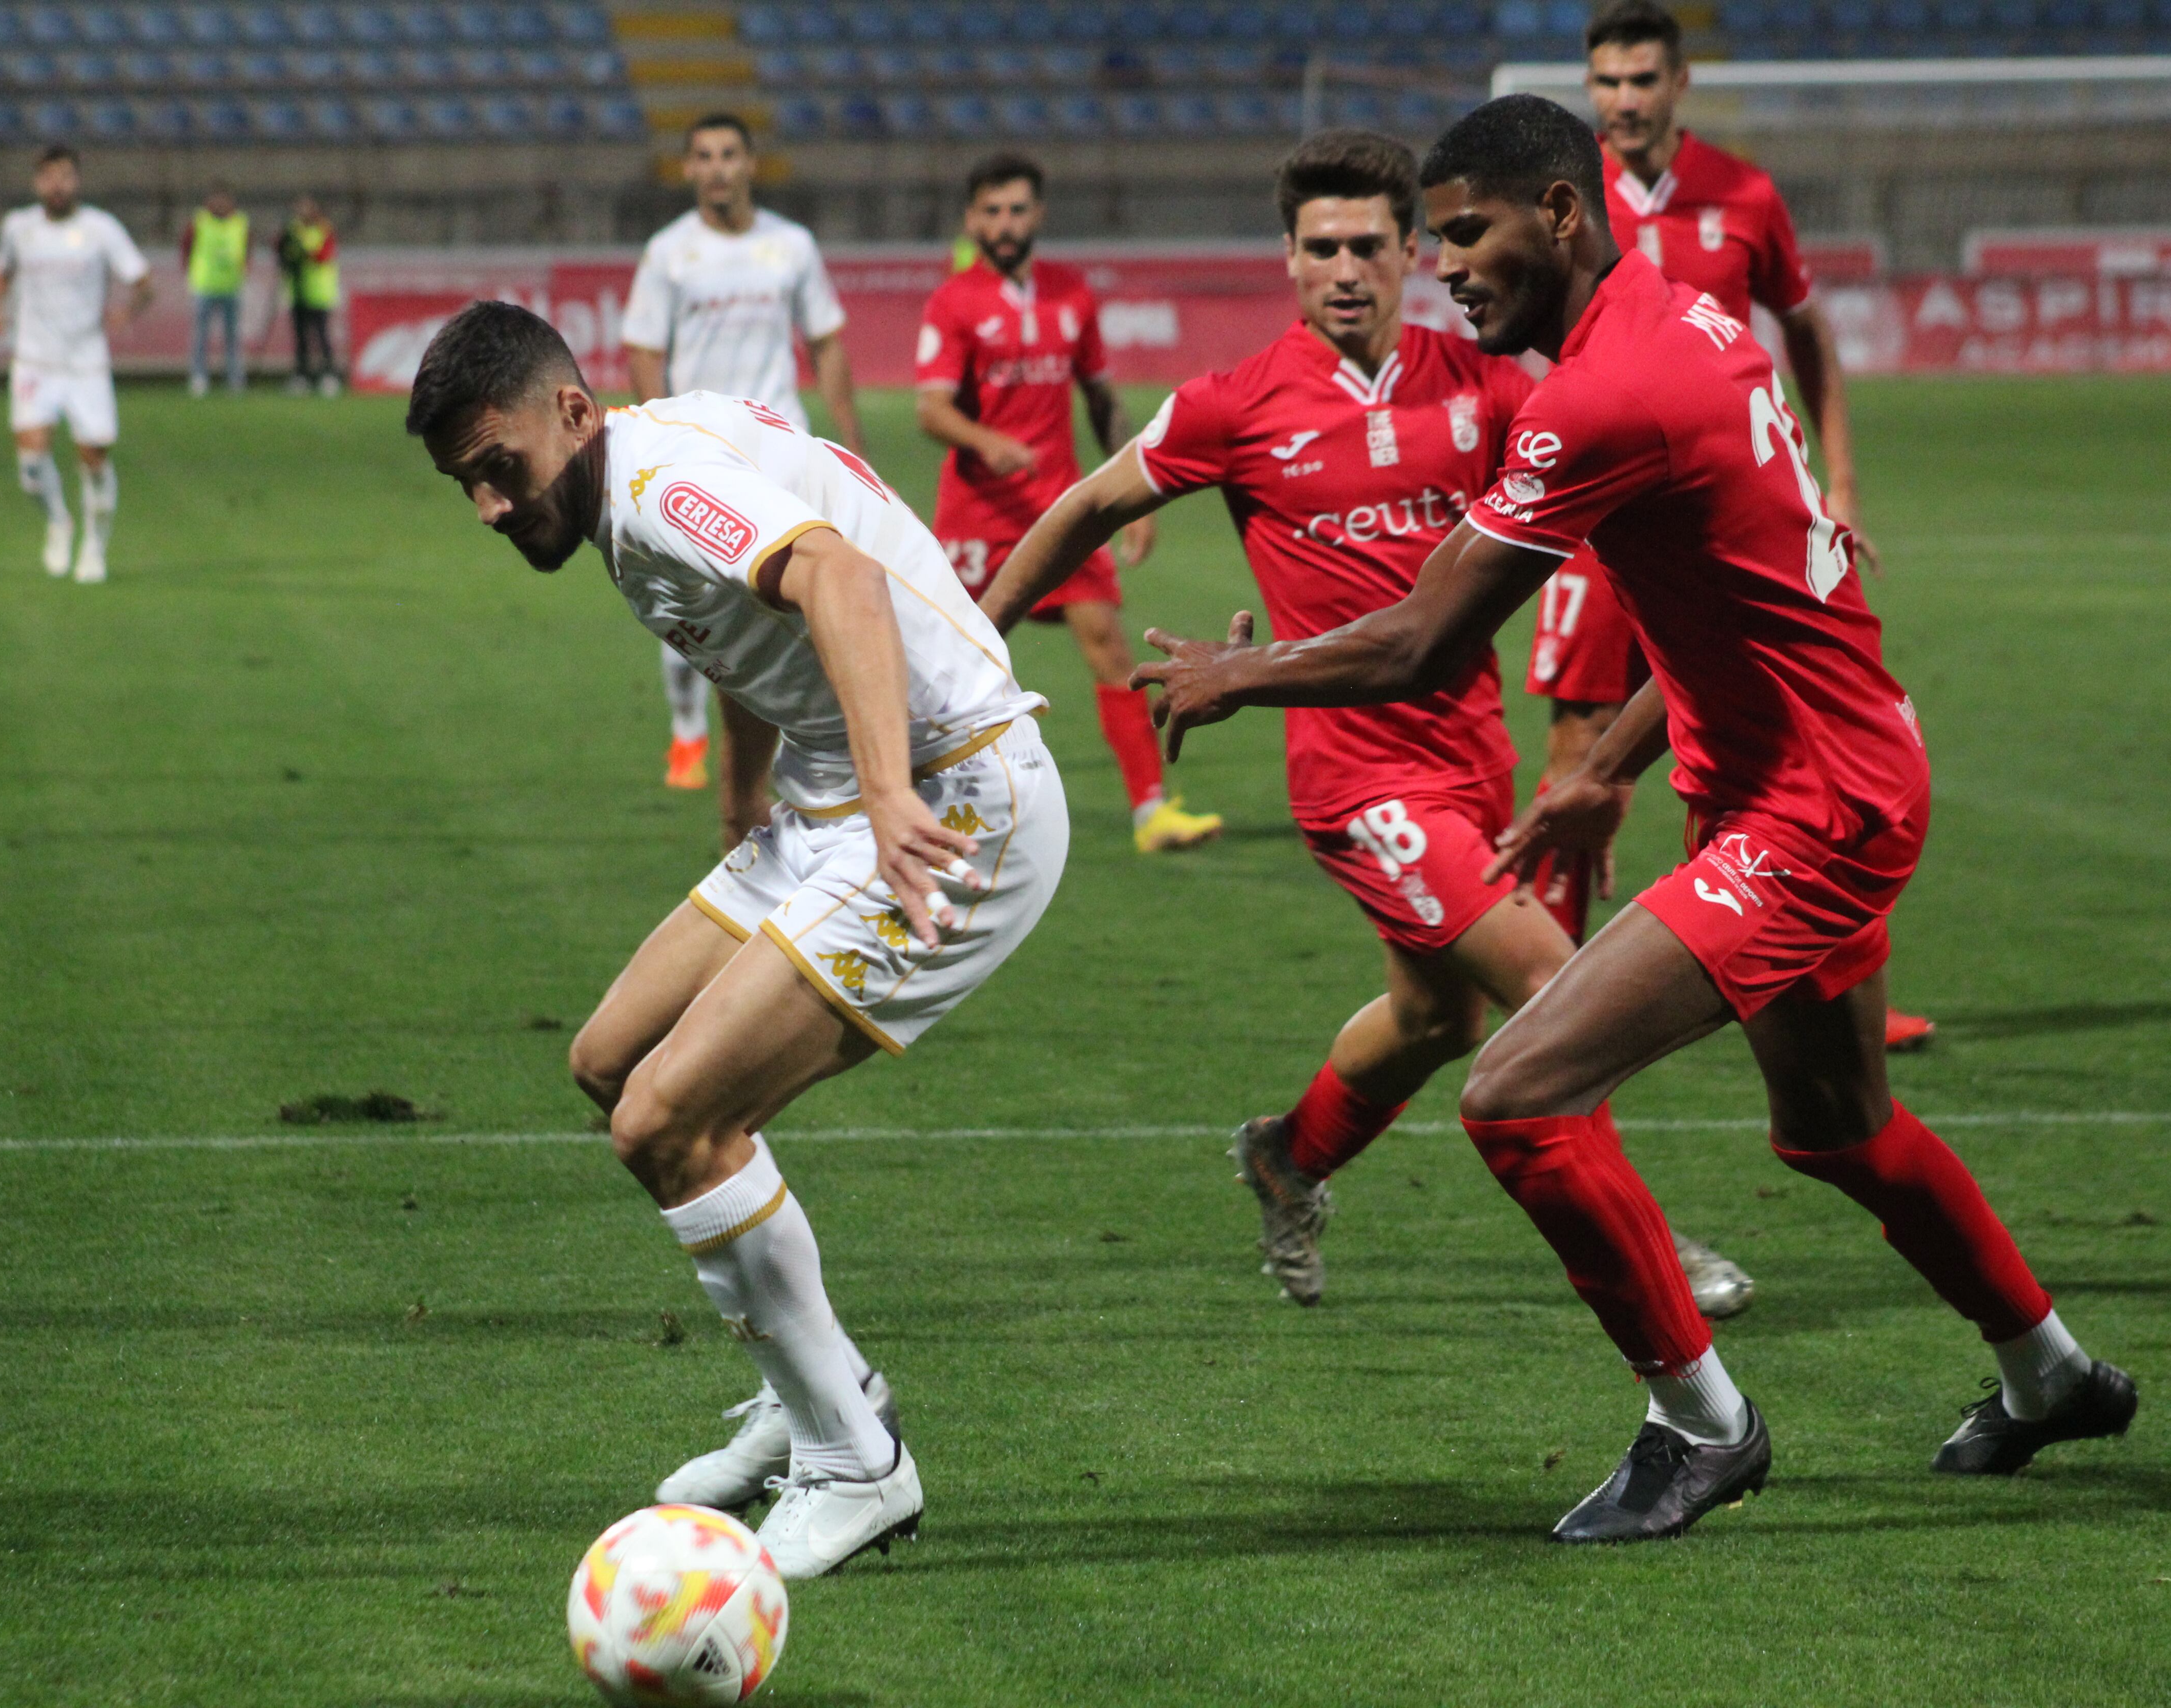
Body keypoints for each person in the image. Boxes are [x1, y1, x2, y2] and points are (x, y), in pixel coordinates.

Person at [1129, 96, 2134, 1543]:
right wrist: (1604, 762)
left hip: (1815, 806)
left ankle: (1701, 1425)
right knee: (1838, 1129)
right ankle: (2053, 1377)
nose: (1450, 267)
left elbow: (1423, 639)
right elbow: (1742, 592)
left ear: (1558, 211)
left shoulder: (1599, 393)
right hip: (1814, 768)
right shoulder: (1687, 321)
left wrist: (1243, 673)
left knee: (1518, 1091)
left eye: (1467, 234)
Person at [981, 132, 1749, 1321]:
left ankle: (1287, 1156)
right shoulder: (1236, 405)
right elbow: (1086, 502)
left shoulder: (1490, 386)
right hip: (1355, 779)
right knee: (1558, 986)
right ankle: (1656, 1251)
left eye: (1369, 246)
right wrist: (975, 644)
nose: (1345, 268)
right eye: (1319, 247)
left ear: (1412, 252)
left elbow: (1612, 512)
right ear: (1286, 260)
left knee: (1436, 1017)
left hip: (1471, 758)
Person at [406, 301, 1067, 1575]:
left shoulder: (651, 489)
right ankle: (820, 1385)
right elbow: (748, 625)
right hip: (825, 799)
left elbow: (838, 577)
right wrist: (739, 800)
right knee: (611, 1060)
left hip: (953, 797)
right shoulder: (623, 482)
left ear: (574, 413)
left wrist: (886, 796)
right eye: (465, 487)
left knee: (665, 1122)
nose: (490, 508)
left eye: (501, 471)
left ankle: (854, 1464)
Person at [1539, 0, 1934, 1052]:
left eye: (1640, 81)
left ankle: (1837, 977)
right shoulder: (1566, 200)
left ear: (1678, 85)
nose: (1621, 101)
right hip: (1601, 522)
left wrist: (1837, 486)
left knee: (1800, 727)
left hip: (1724, 530)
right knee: (1579, 745)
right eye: (1606, 81)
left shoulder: (1745, 195)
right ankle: (1558, 978)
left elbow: (1806, 337)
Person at [925, 154, 1223, 855]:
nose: (1006, 223)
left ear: (1039, 215)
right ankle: (909, 798)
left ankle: (1152, 812)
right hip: (978, 515)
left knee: (1108, 646)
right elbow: (932, 411)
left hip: (1060, 509)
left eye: (1018, 209)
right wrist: (986, 440)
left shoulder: (1071, 295)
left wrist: (1142, 502)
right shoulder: (954, 302)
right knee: (951, 660)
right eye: (992, 211)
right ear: (973, 219)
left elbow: (1103, 401)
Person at [621, 114, 864, 835]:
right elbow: (643, 349)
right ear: (689, 170)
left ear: (751, 164)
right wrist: (659, 433)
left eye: (730, 155)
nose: (719, 168)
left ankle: (788, 745)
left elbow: (826, 341)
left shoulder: (791, 246)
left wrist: (847, 437)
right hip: (700, 452)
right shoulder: (669, 254)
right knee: (701, 604)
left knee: (790, 600)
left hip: (780, 448)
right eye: (705, 157)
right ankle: (689, 729)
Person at [0, 144, 151, 585]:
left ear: (77, 181)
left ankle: (95, 547)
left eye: (65, 177)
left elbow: (143, 280)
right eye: (48, 177)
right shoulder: (19, 227)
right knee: (31, 465)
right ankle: (59, 522)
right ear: (36, 183)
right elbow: (2, 271)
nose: (57, 186)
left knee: (94, 458)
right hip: (35, 361)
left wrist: (128, 312)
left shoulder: (101, 229)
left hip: (86, 363)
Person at [182, 182, 249, 398]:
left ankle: (234, 377)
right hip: (205, 286)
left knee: (232, 336)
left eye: (224, 200)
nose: (220, 204)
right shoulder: (200, 221)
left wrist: (244, 269)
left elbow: (248, 248)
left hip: (231, 286)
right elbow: (187, 246)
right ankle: (199, 377)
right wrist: (189, 272)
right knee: (201, 335)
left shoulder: (240, 223)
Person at [277, 196, 342, 398]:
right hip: (298, 292)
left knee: (322, 337)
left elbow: (323, 255)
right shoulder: (292, 230)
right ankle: (302, 376)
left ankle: (329, 376)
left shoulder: (324, 229)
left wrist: (301, 252)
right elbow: (282, 252)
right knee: (301, 338)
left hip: (319, 293)